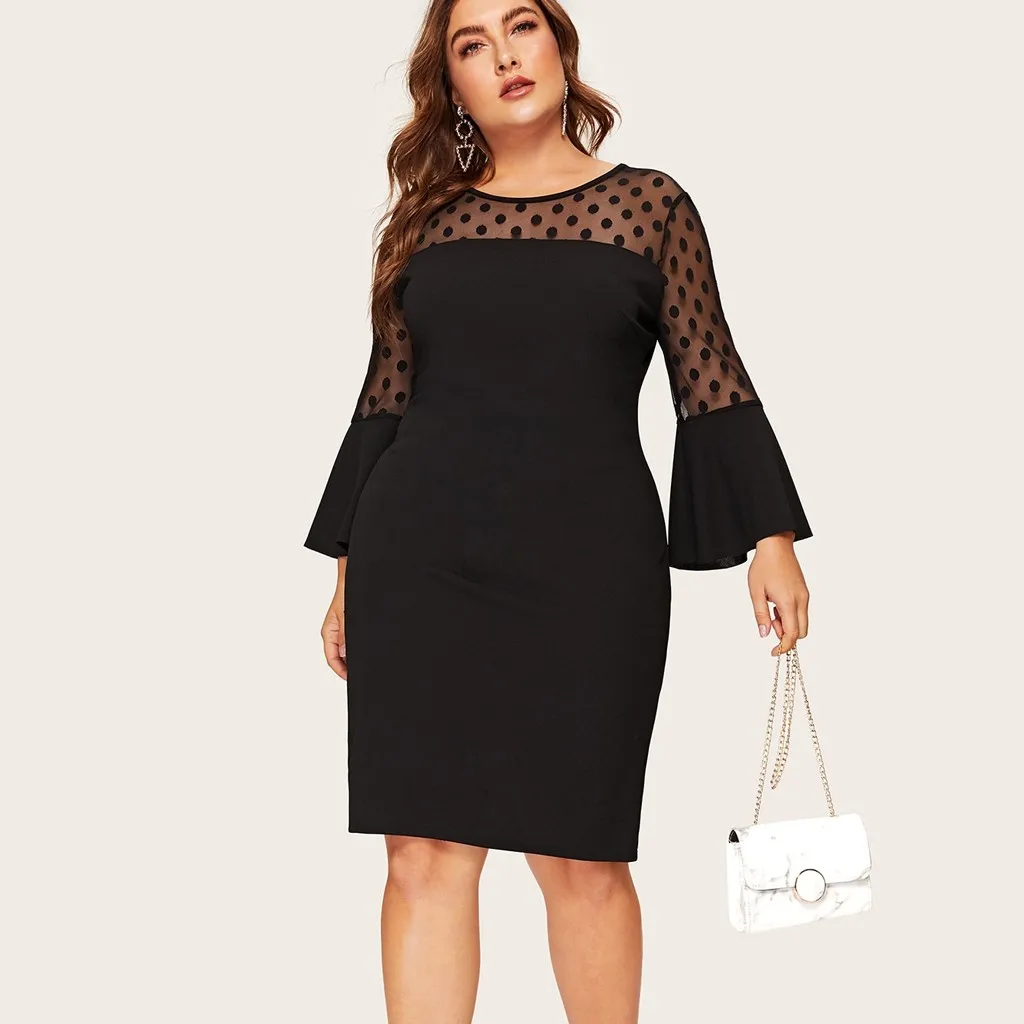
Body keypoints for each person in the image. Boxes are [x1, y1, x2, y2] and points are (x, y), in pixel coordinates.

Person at [303, 1, 812, 1019]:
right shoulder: (425, 226)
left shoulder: (650, 206)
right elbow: (384, 401)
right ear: (453, 87)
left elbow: (710, 375)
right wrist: (349, 571)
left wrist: (772, 538)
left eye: (521, 27)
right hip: (420, 561)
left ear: (560, 46)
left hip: (589, 571)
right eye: (471, 45)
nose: (504, 56)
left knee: (582, 857)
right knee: (421, 855)